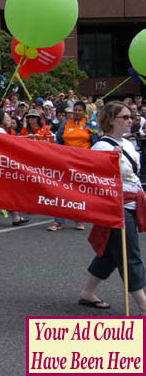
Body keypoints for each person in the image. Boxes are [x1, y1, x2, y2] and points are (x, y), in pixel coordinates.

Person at [80, 101, 146, 314]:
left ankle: (87, 293)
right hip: (116, 206)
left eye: (131, 116)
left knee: (110, 252)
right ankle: (143, 304)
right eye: (125, 117)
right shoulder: (101, 147)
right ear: (110, 120)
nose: (130, 120)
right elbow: (93, 177)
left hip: (133, 202)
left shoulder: (127, 143)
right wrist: (109, 162)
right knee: (130, 255)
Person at [52, 101, 98, 231]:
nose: (77, 112)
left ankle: (79, 219)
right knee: (62, 189)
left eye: (79, 110)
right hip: (66, 161)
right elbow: (59, 139)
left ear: (84, 112)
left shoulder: (90, 124)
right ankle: (58, 221)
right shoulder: (66, 123)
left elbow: (96, 142)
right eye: (75, 110)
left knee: (79, 191)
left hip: (83, 162)